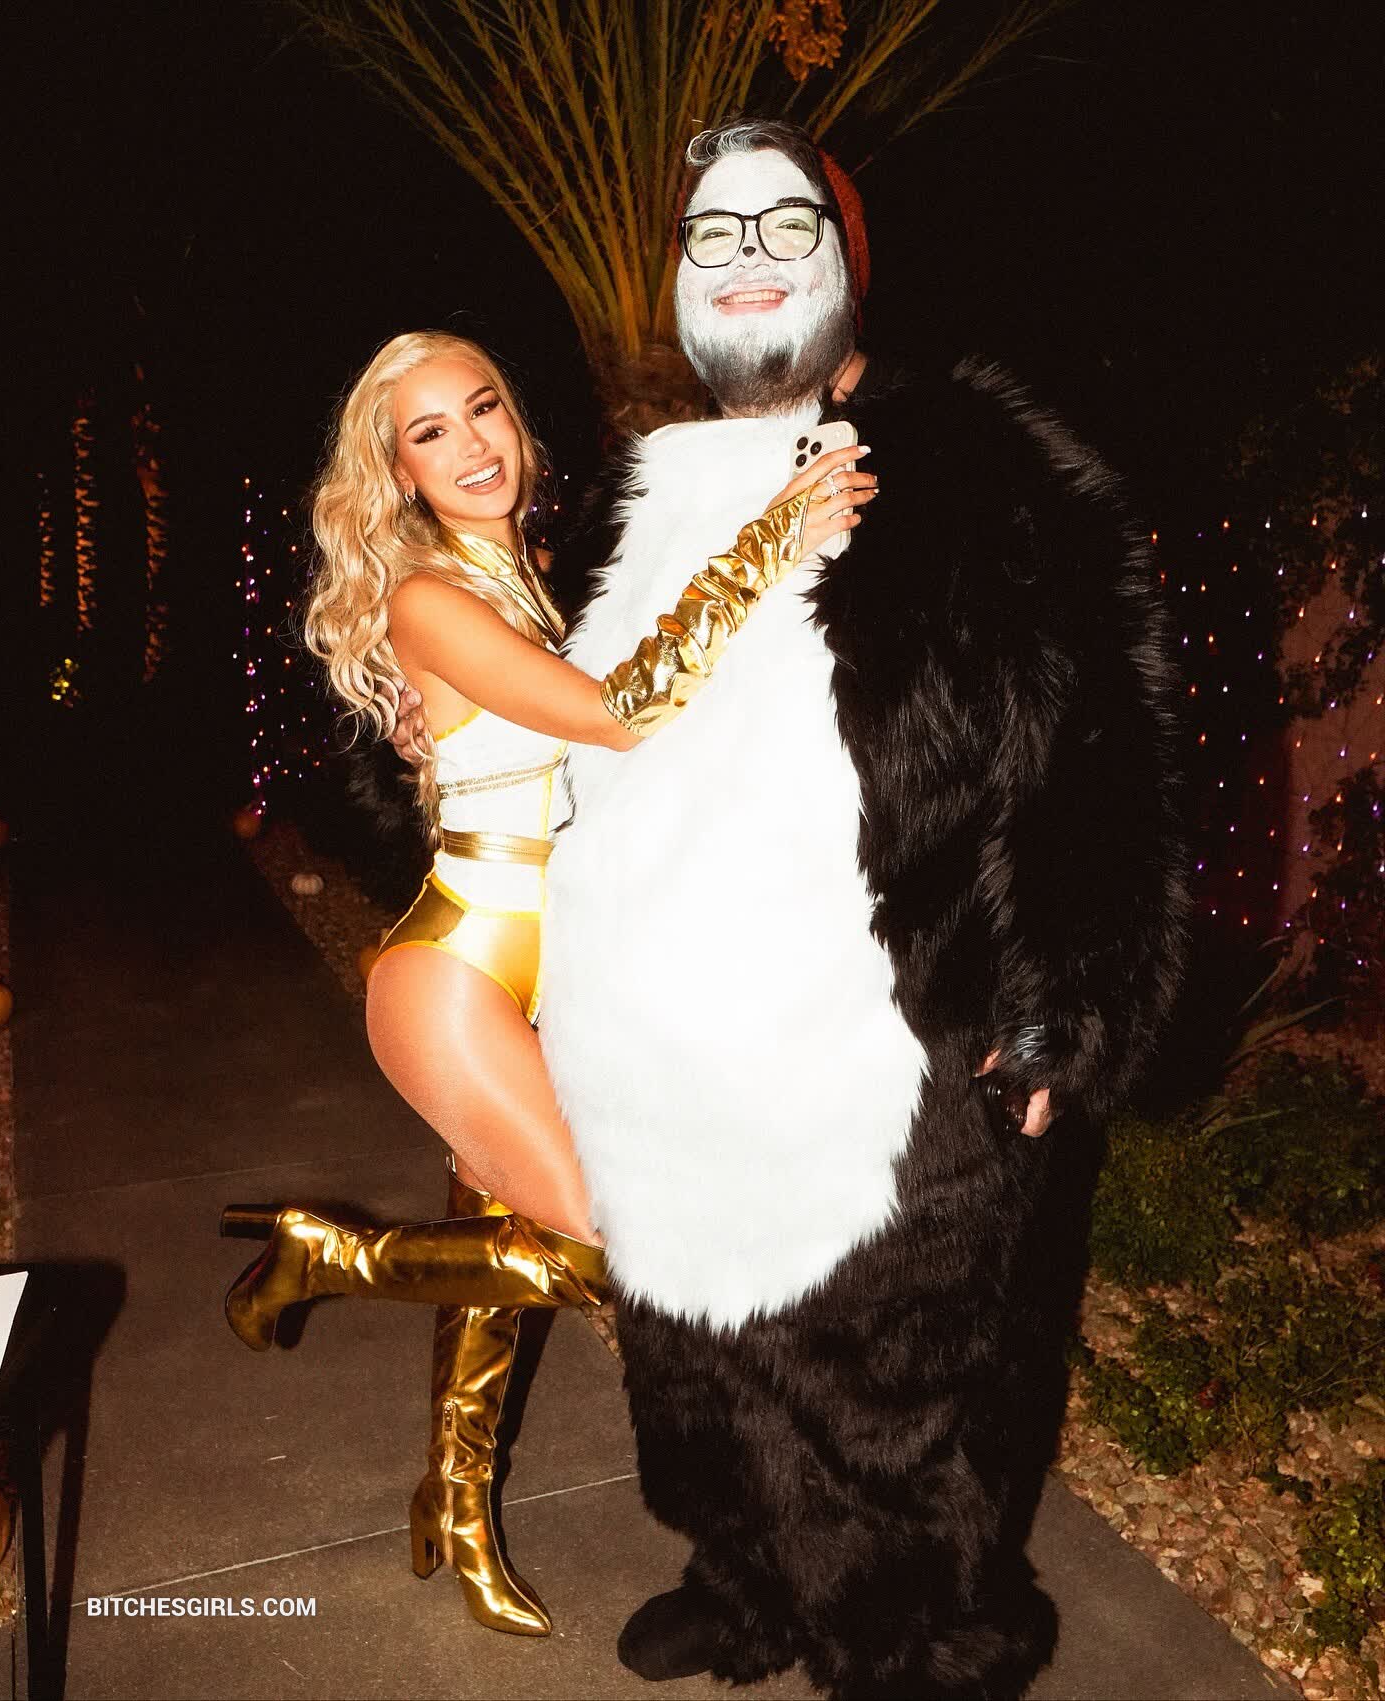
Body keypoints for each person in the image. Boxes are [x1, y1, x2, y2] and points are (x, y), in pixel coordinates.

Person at [472, 119, 1184, 1699]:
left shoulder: (973, 469)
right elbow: (538, 721)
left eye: (782, 227)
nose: (746, 263)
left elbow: (1090, 741)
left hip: (886, 1046)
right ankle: (749, 1580)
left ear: (848, 265)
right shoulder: (628, 495)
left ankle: (928, 1635)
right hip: (660, 1052)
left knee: (895, 1387)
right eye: (711, 238)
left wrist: (1064, 992)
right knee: (698, 1347)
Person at [218, 330, 873, 1638]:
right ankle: (329, 1253)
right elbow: (624, 709)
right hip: (458, 976)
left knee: (491, 1265)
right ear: (395, 472)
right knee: (603, 1246)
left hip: (553, 969)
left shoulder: (510, 577)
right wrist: (775, 536)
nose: (473, 446)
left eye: (484, 411)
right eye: (431, 432)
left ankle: (454, 1509)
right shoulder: (427, 596)